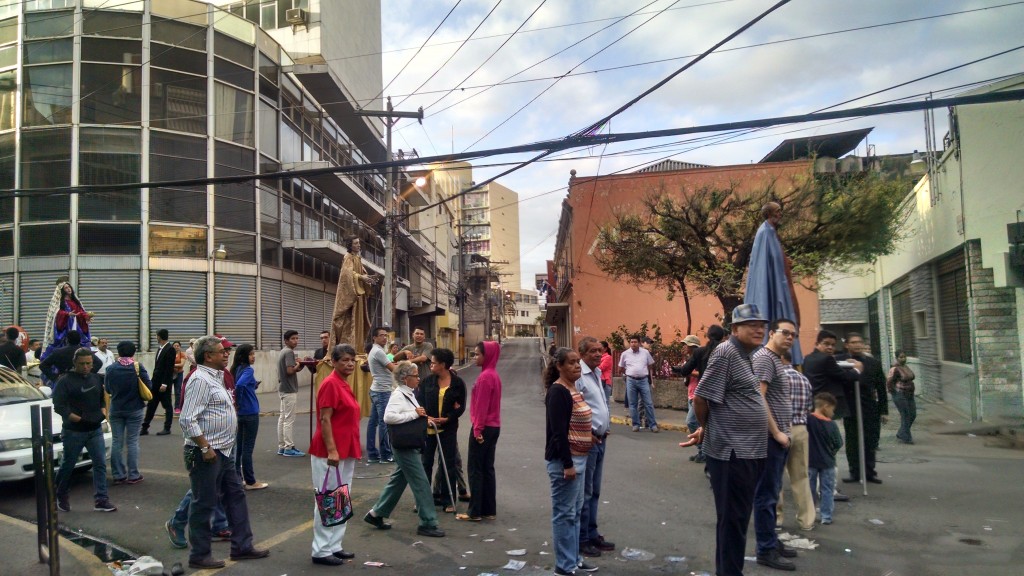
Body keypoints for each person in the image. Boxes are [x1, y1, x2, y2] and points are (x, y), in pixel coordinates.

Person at [685, 303, 770, 576]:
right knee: (733, 520)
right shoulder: (726, 352)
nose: (759, 329)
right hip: (732, 453)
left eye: (762, 324)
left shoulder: (746, 355)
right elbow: (701, 397)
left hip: (748, 451)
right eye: (751, 324)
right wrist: (707, 428)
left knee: (739, 518)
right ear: (735, 329)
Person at [179, 335, 270, 570]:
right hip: (207, 452)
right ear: (208, 356)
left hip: (225, 450)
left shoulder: (217, 377)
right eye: (222, 351)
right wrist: (205, 447)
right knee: (204, 502)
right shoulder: (200, 379)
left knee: (235, 496)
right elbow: (188, 419)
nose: (226, 354)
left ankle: (242, 546)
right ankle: (199, 555)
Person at [363, 361, 446, 538]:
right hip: (405, 446)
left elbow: (413, 413)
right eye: (415, 375)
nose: (418, 378)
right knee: (421, 483)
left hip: (407, 444)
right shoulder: (399, 395)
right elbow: (389, 417)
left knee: (399, 481)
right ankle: (428, 522)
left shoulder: (408, 393)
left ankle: (376, 514)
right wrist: (415, 414)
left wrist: (424, 417)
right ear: (404, 378)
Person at [544, 347, 598, 575]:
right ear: (559, 367)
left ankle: (574, 558)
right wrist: (567, 464)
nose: (577, 366)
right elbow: (558, 432)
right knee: (564, 514)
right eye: (572, 363)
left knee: (575, 512)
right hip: (566, 462)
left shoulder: (573, 388)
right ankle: (564, 566)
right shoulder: (558, 392)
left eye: (578, 362)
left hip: (580, 458)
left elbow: (576, 421)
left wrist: (590, 436)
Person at [751, 319, 798, 571]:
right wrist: (777, 432)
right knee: (766, 496)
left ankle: (771, 541)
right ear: (772, 333)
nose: (790, 337)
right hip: (770, 439)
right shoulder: (764, 358)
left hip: (778, 439)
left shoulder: (775, 359)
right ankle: (766, 549)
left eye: (794, 334)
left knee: (772, 492)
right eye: (785, 332)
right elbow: (758, 397)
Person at [309, 344, 362, 565]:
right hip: (330, 451)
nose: (349, 364)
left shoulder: (343, 384)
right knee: (328, 497)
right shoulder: (330, 384)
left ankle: (334, 545)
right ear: (333, 361)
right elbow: (324, 419)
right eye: (345, 360)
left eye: (352, 360)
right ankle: (321, 550)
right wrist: (332, 449)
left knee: (341, 496)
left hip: (346, 449)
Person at [52, 349, 116, 513]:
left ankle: (101, 499)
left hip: (94, 429)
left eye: (89, 363)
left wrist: (103, 411)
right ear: (75, 363)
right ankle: (60, 494)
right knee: (68, 464)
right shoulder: (64, 381)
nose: (86, 367)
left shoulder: (95, 377)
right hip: (74, 431)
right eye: (82, 364)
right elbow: (59, 405)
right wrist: (74, 418)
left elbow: (102, 398)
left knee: (100, 463)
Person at [802, 330, 861, 503]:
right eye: (826, 344)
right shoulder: (826, 360)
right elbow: (844, 376)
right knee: (830, 449)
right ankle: (828, 488)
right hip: (825, 409)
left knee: (817, 450)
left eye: (832, 345)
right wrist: (857, 369)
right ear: (818, 344)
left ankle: (820, 487)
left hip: (813, 408)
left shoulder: (809, 358)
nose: (830, 348)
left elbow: (830, 364)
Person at [745, 202, 802, 363]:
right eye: (777, 211)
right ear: (769, 214)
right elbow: (764, 269)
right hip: (774, 291)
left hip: (780, 289)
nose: (780, 214)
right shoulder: (764, 233)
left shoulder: (771, 233)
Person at [576, 337, 615, 559]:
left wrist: (604, 426)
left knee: (595, 491)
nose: (598, 354)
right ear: (582, 354)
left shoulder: (598, 373)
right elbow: (577, 407)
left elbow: (600, 404)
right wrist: (589, 432)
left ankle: (592, 533)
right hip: (588, 441)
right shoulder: (579, 375)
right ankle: (583, 539)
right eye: (592, 351)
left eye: (599, 350)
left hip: (601, 439)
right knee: (586, 491)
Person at [416, 347, 466, 513]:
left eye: (434, 362)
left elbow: (461, 407)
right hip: (428, 429)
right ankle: (422, 499)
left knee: (448, 464)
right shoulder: (426, 382)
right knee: (426, 464)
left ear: (443, 365)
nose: (431, 365)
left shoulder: (458, 383)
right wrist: (427, 418)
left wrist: (448, 418)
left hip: (448, 429)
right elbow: (418, 403)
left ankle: (448, 500)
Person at [457, 341, 502, 522]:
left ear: (487, 355)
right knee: (487, 468)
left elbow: (481, 407)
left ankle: (474, 511)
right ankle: (488, 509)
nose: (474, 357)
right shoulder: (493, 375)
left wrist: (477, 430)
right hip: (493, 426)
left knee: (476, 469)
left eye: (477, 354)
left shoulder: (485, 378)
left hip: (483, 427)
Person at [835, 333, 886, 484]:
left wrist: (884, 410)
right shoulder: (840, 361)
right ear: (847, 345)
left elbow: (881, 388)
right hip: (850, 406)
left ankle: (870, 472)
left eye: (859, 342)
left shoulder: (873, 363)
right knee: (852, 440)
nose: (857, 344)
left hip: (869, 406)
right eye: (853, 342)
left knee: (870, 440)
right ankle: (854, 472)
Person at [776, 350, 815, 532]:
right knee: (801, 476)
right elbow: (809, 407)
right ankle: (806, 520)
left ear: (781, 359)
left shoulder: (777, 378)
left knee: (775, 475)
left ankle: (777, 518)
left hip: (780, 429)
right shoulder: (804, 379)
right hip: (800, 428)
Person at [674, 326, 725, 463]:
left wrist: (680, 370)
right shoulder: (728, 351)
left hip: (704, 395)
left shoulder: (701, 352)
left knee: (696, 422)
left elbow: (686, 370)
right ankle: (708, 455)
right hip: (723, 397)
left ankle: (706, 454)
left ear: (707, 336)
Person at [104, 341, 150, 485]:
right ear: (133, 352)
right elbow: (148, 386)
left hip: (116, 408)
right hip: (135, 408)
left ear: (118, 352)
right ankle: (133, 475)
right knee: (132, 441)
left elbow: (108, 389)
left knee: (117, 441)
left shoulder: (111, 369)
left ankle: (118, 475)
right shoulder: (137, 367)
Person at [231, 344, 267, 490]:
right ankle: (251, 481)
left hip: (240, 414)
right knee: (247, 448)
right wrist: (238, 402)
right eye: (251, 354)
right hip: (250, 412)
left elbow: (240, 385)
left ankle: (238, 478)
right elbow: (239, 386)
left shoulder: (235, 369)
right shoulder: (248, 370)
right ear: (244, 356)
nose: (253, 357)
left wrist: (253, 385)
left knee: (239, 447)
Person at [330, 237, 376, 348]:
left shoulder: (357, 258)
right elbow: (346, 274)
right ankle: (351, 347)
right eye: (356, 243)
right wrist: (361, 278)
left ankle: (358, 347)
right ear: (350, 245)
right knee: (350, 322)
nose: (359, 245)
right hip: (353, 295)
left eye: (359, 243)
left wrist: (367, 278)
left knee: (359, 322)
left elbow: (358, 273)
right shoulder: (348, 257)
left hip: (359, 295)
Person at [807, 392, 843, 525]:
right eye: (832, 409)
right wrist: (831, 452)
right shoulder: (831, 425)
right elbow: (838, 443)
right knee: (827, 489)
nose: (833, 413)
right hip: (828, 462)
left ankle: (809, 515)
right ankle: (826, 516)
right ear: (825, 407)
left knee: (810, 488)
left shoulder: (808, 420)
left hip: (810, 460)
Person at [366, 326, 397, 463]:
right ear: (374, 338)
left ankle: (372, 453)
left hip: (376, 390)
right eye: (382, 335)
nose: (385, 338)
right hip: (382, 391)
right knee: (384, 423)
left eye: (386, 335)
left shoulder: (377, 350)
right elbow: (393, 369)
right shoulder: (378, 351)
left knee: (373, 423)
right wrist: (408, 366)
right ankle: (385, 455)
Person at [41, 280, 93, 359]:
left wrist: (86, 316)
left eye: (69, 287)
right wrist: (67, 314)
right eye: (66, 288)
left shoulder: (75, 302)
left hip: (76, 328)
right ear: (62, 290)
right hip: (65, 329)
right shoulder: (59, 303)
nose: (69, 289)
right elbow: (56, 314)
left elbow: (80, 312)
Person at [618, 335, 658, 432]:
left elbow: (650, 365)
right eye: (631, 342)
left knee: (648, 403)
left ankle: (653, 425)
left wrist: (648, 377)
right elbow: (620, 367)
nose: (633, 344)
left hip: (643, 380)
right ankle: (636, 424)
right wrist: (628, 373)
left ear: (639, 343)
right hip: (631, 380)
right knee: (632, 404)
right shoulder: (625, 354)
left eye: (635, 342)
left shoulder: (645, 353)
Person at [142, 329, 176, 436]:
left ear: (159, 337)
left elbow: (169, 368)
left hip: (163, 384)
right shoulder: (160, 349)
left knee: (167, 406)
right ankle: (145, 427)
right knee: (151, 405)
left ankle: (167, 428)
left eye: (156, 336)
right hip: (156, 382)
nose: (156, 337)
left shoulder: (170, 349)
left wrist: (165, 384)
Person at [277, 329, 305, 457]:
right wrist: (299, 364)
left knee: (283, 418)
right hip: (289, 389)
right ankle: (288, 447)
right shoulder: (288, 352)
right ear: (286, 341)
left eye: (297, 338)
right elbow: (290, 371)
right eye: (293, 338)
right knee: (289, 419)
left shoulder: (283, 351)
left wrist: (297, 366)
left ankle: (282, 446)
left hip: (283, 388)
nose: (296, 341)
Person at [887, 350, 917, 444]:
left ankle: (901, 432)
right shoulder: (894, 369)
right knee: (906, 415)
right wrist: (895, 393)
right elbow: (889, 382)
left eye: (904, 356)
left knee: (912, 414)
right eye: (901, 357)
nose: (903, 358)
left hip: (910, 394)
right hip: (900, 395)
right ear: (896, 358)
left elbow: (911, 377)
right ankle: (907, 437)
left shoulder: (906, 367)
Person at [172, 341, 186, 412]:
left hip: (179, 374)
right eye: (175, 345)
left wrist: (172, 365)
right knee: (168, 391)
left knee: (178, 391)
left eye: (178, 346)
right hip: (170, 374)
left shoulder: (182, 354)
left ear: (180, 347)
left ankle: (177, 407)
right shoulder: (170, 354)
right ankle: (168, 407)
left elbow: (182, 364)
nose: (176, 347)